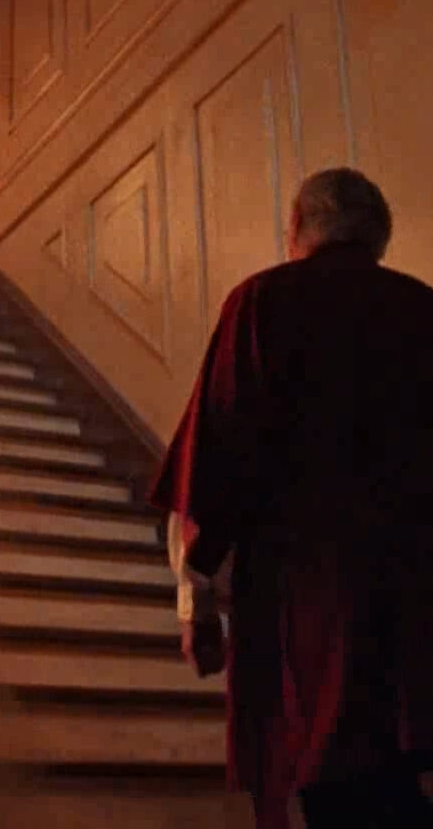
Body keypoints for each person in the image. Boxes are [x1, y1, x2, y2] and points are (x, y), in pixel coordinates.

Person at [150, 168, 433, 828]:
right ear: (379, 236)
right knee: (394, 779)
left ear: (298, 227)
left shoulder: (263, 302)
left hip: (303, 600)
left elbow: (215, 457)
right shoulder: (424, 311)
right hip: (414, 599)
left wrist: (198, 605)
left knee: (318, 769)